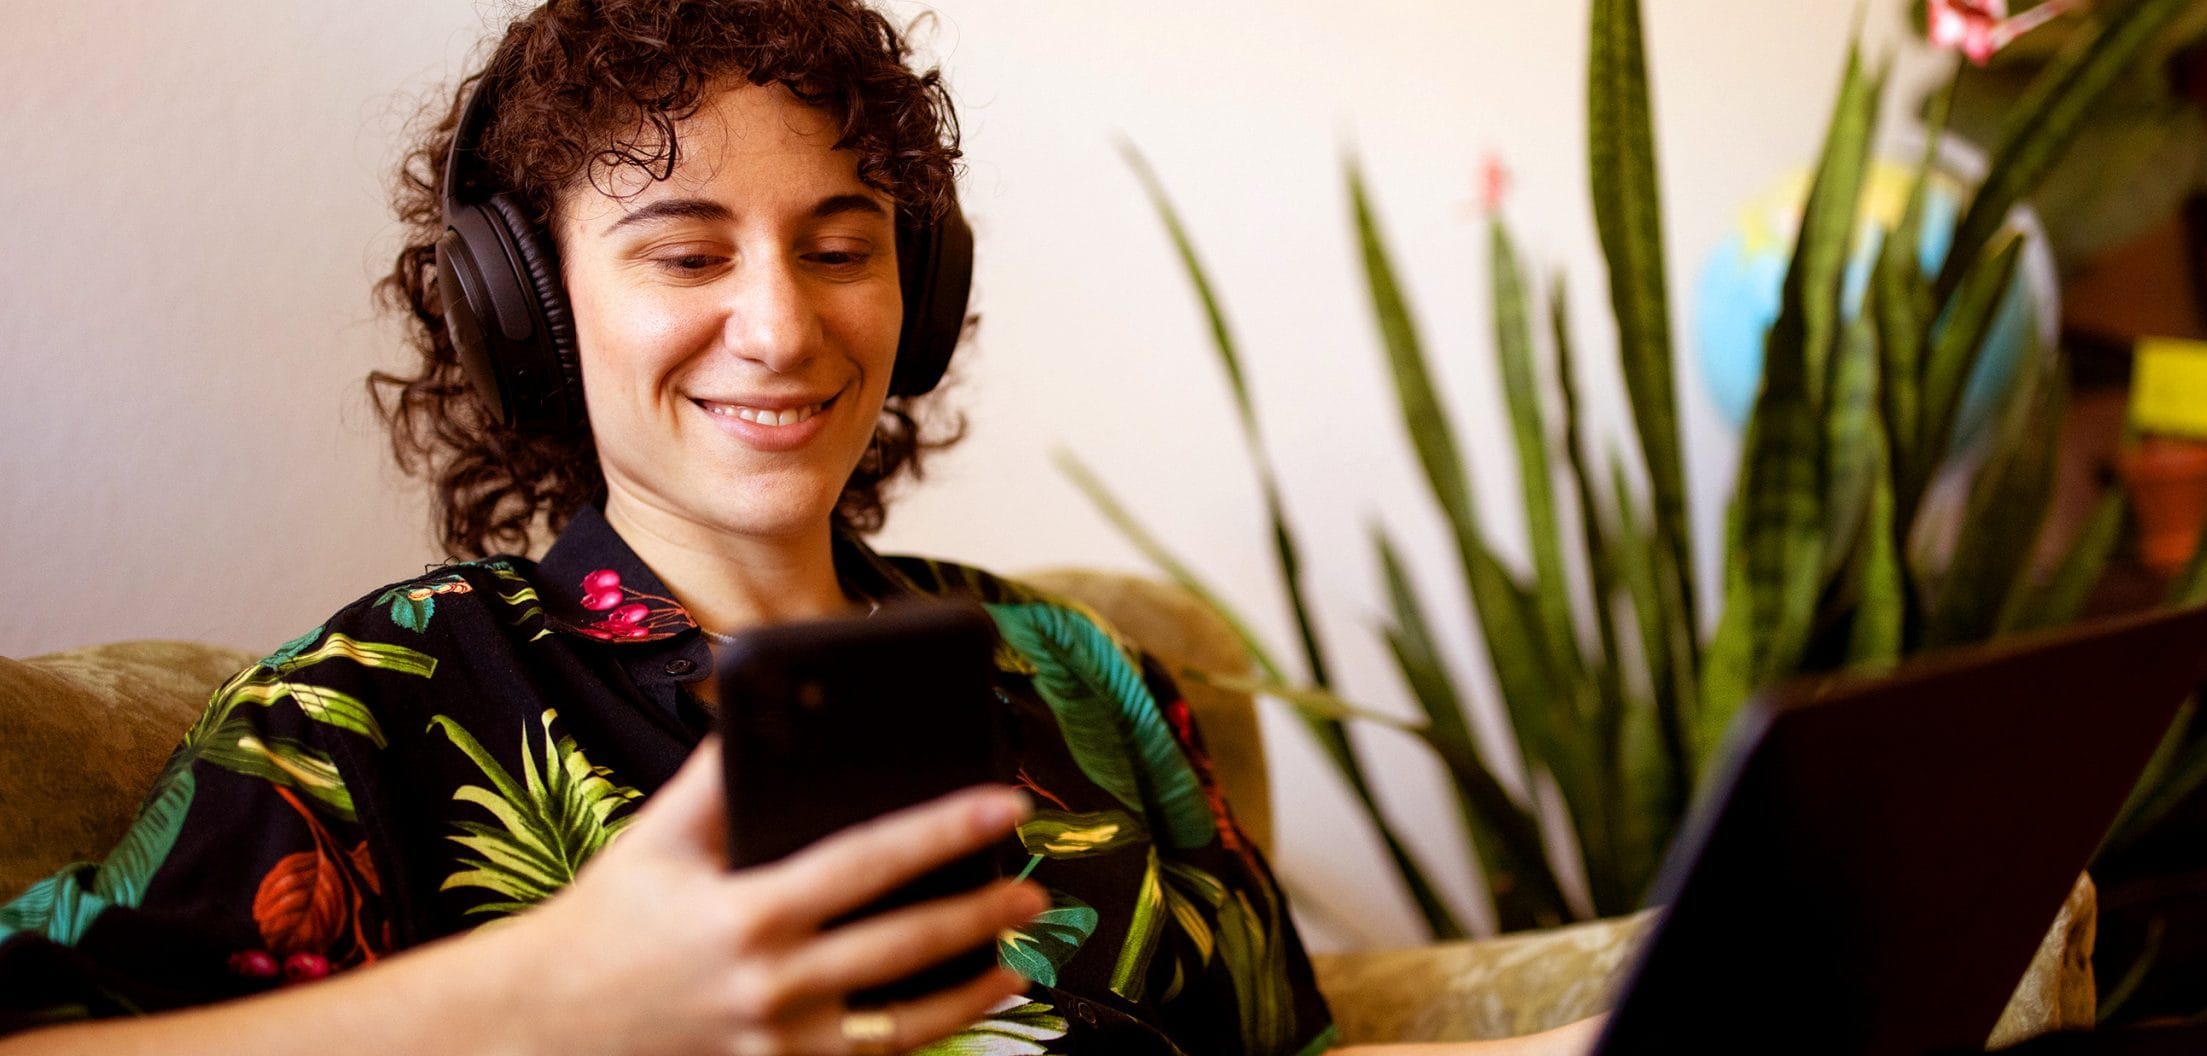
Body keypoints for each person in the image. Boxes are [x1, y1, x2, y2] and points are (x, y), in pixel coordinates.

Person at [0, 2, 1597, 1053]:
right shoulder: (383, 699)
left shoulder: (1080, 669)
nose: (779, 326)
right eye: (685, 256)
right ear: (531, 315)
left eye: (841, 247)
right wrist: (554, 997)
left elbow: (1298, 1046)